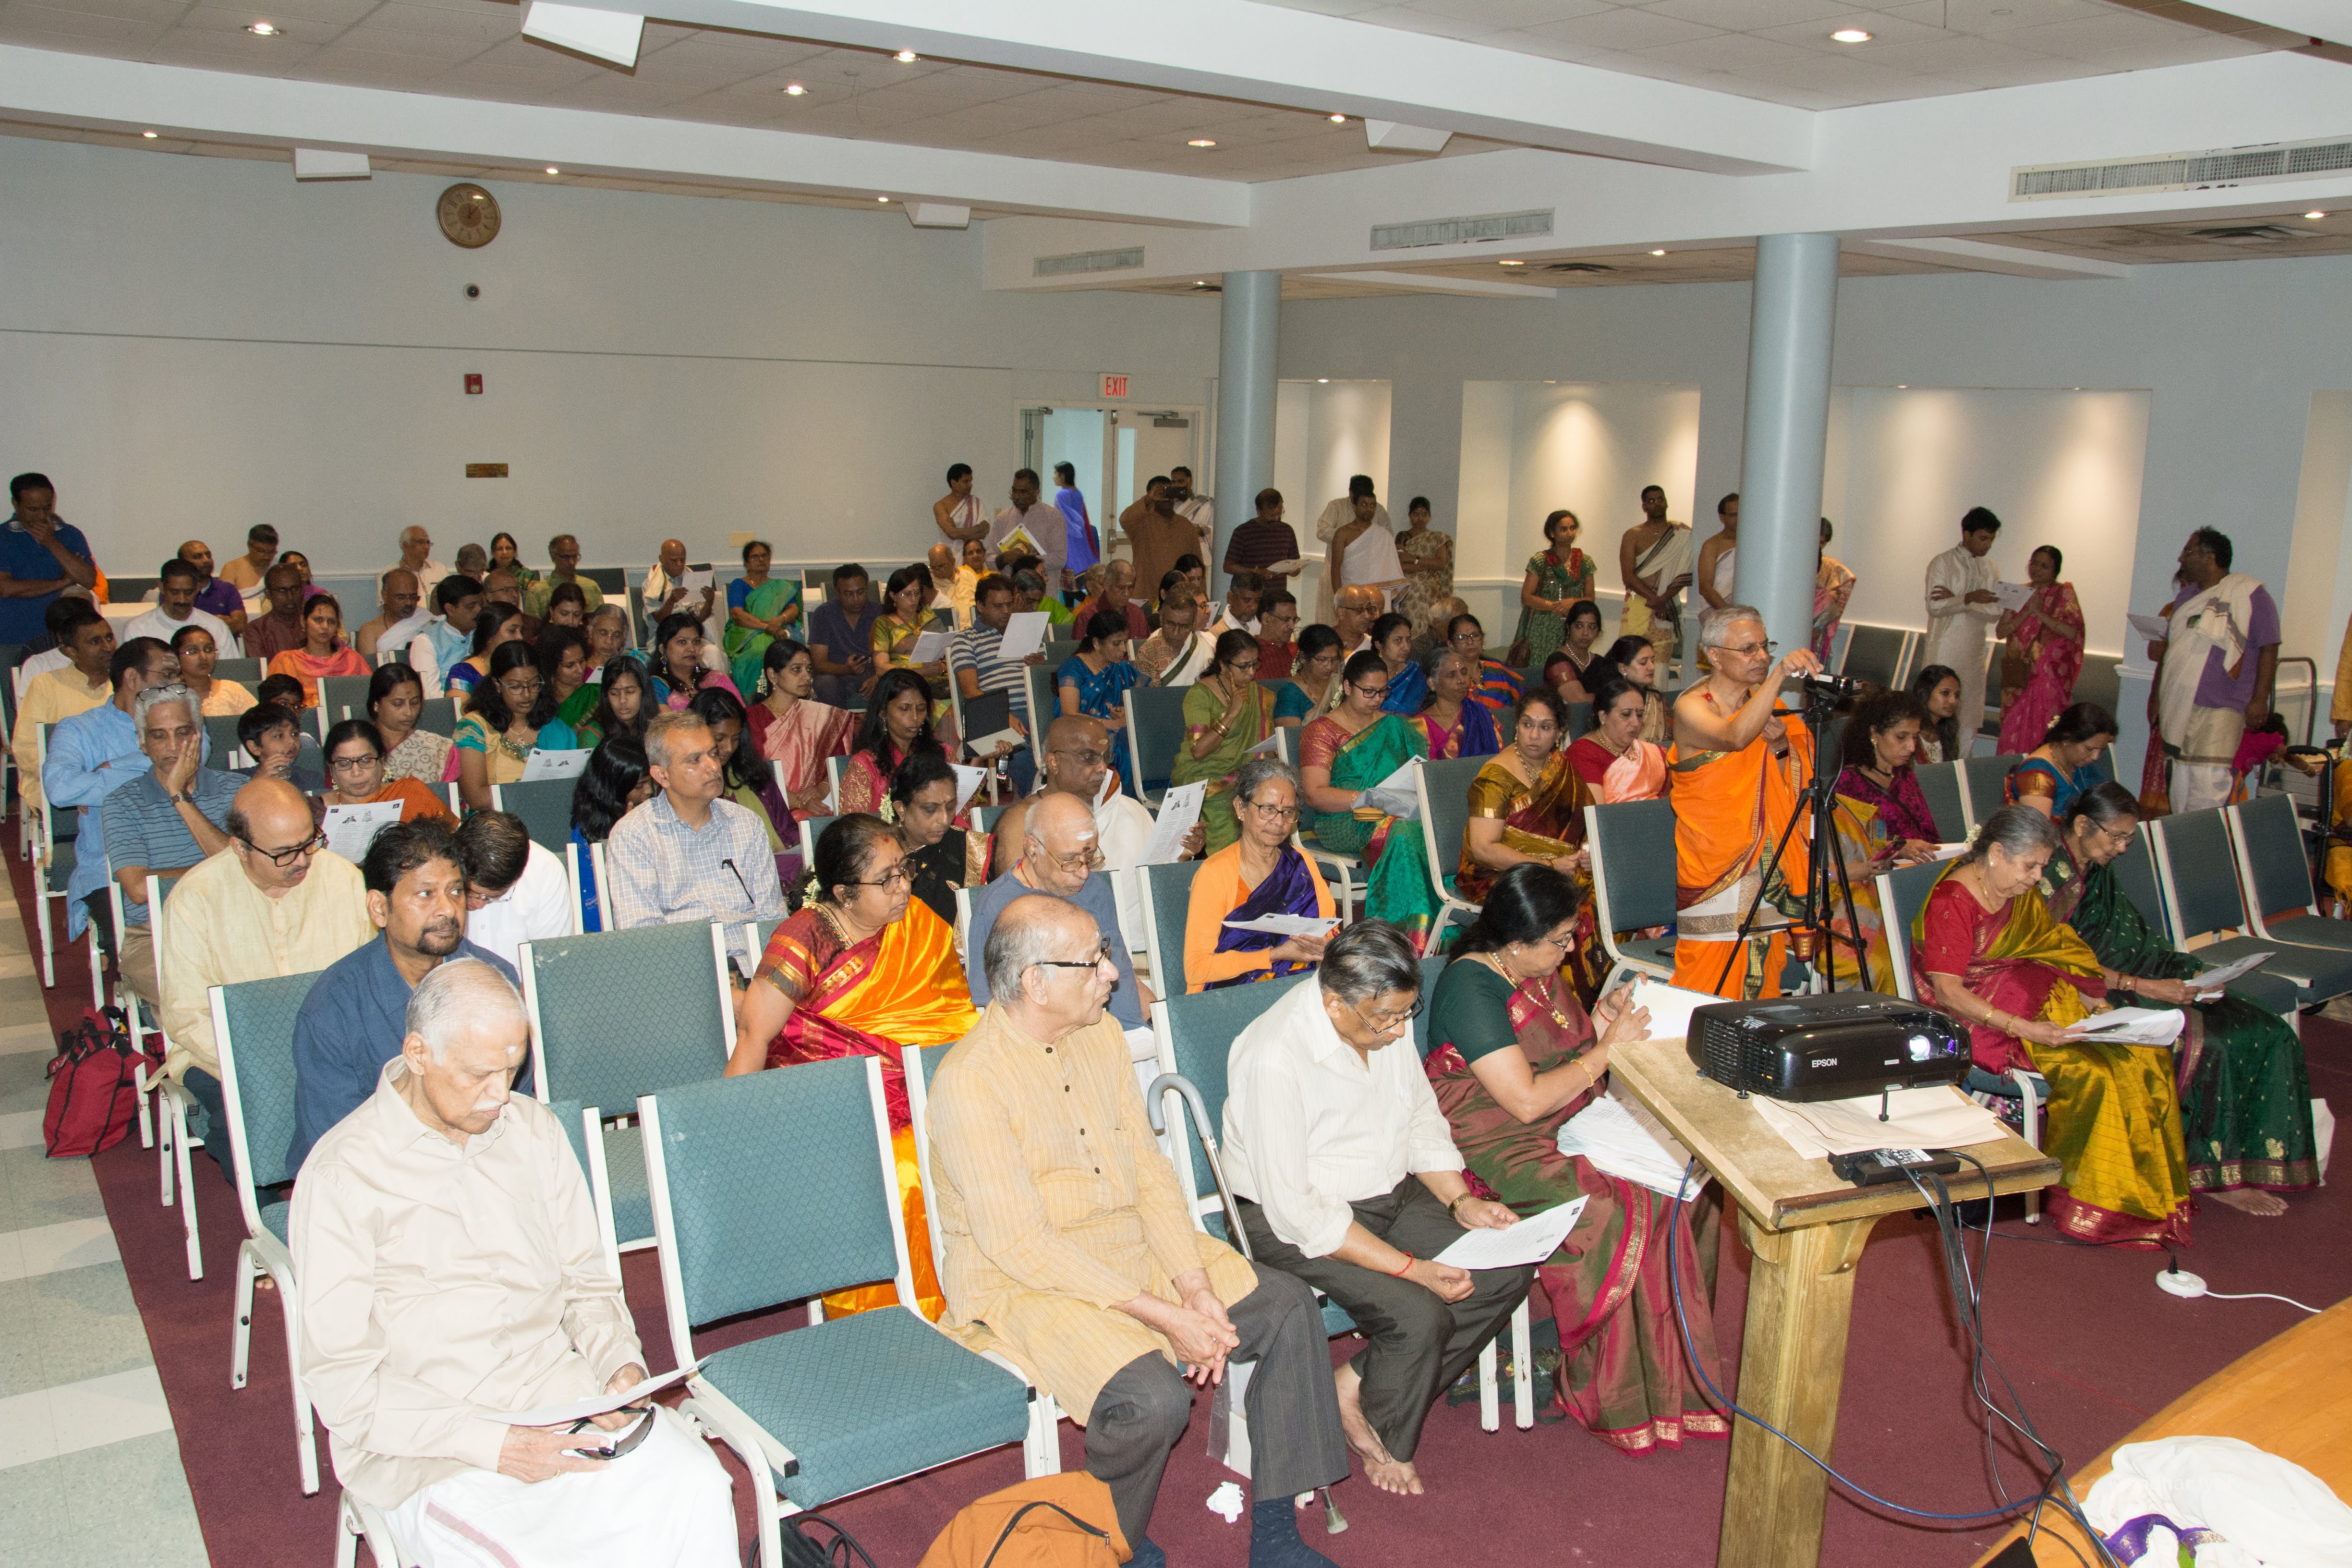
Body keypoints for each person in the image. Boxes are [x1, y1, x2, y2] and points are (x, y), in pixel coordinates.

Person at [927, 894, 1349, 1568]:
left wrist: (1195, 1286)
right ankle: (1106, 1540)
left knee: (1285, 1306)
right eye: (1092, 960)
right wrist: (1167, 1315)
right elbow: (1021, 1245)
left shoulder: (1098, 1036)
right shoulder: (970, 1081)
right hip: (1024, 1282)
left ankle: (1275, 1532)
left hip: (1126, 1242)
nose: (1112, 972)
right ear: (1036, 982)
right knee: (1152, 1399)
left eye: (1105, 953)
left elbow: (1149, 1173)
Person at [292, 960, 735, 1568]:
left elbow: (586, 1284)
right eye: (480, 1074)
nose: (501, 1094)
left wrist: (618, 1365)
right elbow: (345, 1383)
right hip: (430, 1446)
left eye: (511, 1070)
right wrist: (495, 1443)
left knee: (697, 1486)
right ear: (418, 1054)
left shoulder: (532, 1130)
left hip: (559, 1399)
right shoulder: (342, 1175)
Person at [1423, 864, 1729, 1449]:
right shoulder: (1472, 987)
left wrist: (1604, 1019)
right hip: (1491, 1139)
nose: (1569, 951)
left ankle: (1667, 1366)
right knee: (1607, 1207)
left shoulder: (1532, 968)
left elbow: (1565, 1046)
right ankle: (1607, 1384)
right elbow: (1523, 1100)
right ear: (1516, 941)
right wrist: (1608, 1051)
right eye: (1559, 940)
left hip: (1567, 1117)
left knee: (1690, 1183)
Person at [1222, 920, 1531, 1496]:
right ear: (1333, 1004)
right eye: (1384, 1019)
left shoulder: (1382, 1018)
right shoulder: (1274, 1056)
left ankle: (1354, 1385)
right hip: (1287, 1218)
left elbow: (1419, 1119)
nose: (1397, 1031)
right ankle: (1380, 1426)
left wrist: (1460, 1199)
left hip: (1386, 1191)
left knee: (1502, 1269)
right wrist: (1411, 1269)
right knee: (1420, 1313)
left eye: (1405, 1015)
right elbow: (1297, 1209)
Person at [1911, 804, 2192, 1247]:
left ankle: (2152, 1196)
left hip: (2041, 1006)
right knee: (2098, 1073)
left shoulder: (2016, 891)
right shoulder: (1953, 902)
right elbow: (1947, 992)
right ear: (1997, 853)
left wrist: (2095, 1001)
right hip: (1982, 1022)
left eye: (2043, 865)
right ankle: (2096, 1204)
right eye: (2031, 865)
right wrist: (2024, 1028)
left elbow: (2050, 947)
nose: (2038, 877)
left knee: (2145, 1056)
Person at [730, 814, 973, 1315]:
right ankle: (905, 1310)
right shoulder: (804, 937)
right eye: (886, 879)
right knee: (910, 1166)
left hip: (919, 1085)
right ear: (843, 893)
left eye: (904, 870)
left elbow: (948, 1021)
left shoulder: (916, 925)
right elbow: (755, 1036)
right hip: (828, 1106)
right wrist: (734, 1143)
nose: (903, 886)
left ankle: (980, 1290)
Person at [2045, 782, 2317, 1214]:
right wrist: (2146, 986)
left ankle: (2260, 1162)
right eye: (2116, 837)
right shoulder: (2049, 875)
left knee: (2268, 1028)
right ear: (2082, 825)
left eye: (2129, 838)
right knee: (2213, 1044)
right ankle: (2212, 1175)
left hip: (2144, 972)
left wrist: (2182, 972)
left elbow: (2130, 932)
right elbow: (2056, 963)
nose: (2122, 848)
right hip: (2092, 992)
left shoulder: (2095, 864)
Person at [159, 778, 375, 1185]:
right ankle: (272, 1211)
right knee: (255, 1120)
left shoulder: (343, 879)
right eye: (284, 853)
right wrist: (267, 1064)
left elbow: (367, 985)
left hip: (334, 1051)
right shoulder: (196, 897)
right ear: (240, 847)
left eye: (309, 842)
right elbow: (187, 1016)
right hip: (225, 1058)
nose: (303, 860)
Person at [286, 818, 520, 1174]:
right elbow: (335, 1147)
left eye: (455, 892)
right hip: (376, 1178)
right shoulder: (333, 1008)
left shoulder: (496, 980)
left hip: (481, 1165)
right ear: (380, 908)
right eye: (426, 894)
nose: (448, 909)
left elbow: (516, 1107)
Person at [1669, 604, 1822, 999]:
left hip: (1766, 857)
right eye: (1748, 649)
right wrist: (1781, 674)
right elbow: (1735, 736)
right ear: (1714, 655)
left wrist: (1780, 745)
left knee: (1763, 964)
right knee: (1706, 981)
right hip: (1716, 864)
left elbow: (1795, 781)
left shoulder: (1768, 708)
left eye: (1765, 646)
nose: (1762, 657)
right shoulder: (1691, 707)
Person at [989, 714, 1201, 946]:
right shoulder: (1022, 821)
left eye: (1105, 757)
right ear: (1053, 762)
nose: (1102, 768)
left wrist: (1181, 856)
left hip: (1148, 944)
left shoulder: (1129, 810)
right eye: (1089, 757)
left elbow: (1155, 887)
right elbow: (1015, 907)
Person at [95, 682, 239, 1008]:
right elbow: (139, 889)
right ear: (142, 743)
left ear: (198, 735)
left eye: (183, 732)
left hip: (233, 921)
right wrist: (222, 871)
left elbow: (250, 867)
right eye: (159, 736)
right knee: (195, 998)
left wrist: (180, 797)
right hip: (155, 933)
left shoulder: (237, 790)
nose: (173, 746)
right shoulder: (121, 804)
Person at [603, 709, 785, 961]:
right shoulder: (634, 835)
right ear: (662, 776)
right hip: (684, 971)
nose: (713, 767)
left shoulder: (746, 824)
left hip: (754, 964)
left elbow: (772, 919)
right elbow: (643, 939)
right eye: (695, 760)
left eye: (713, 754)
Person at [964, 790, 1151, 1030]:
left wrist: (1134, 1032)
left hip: (1108, 1031)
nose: (1084, 873)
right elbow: (991, 1009)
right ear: (1033, 849)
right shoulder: (996, 908)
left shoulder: (1095, 889)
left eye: (1089, 856)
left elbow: (1121, 976)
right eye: (1069, 860)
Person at [1300, 649, 1441, 949]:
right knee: (1404, 834)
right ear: (1347, 687)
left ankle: (1433, 925)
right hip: (1345, 818)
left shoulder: (1394, 726)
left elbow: (1421, 775)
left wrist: (1394, 799)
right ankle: (1400, 939)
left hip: (1395, 812)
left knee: (1427, 828)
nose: (1377, 699)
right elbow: (1315, 794)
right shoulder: (1321, 730)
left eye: (1383, 691)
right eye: (1369, 692)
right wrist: (1367, 798)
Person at [47, 637, 182, 941]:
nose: (177, 685)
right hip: (109, 868)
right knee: (144, 949)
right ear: (132, 679)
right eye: (167, 675)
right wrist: (158, 773)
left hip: (184, 858)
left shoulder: (184, 719)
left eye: (178, 677)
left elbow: (191, 760)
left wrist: (110, 770)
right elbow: (61, 788)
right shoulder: (79, 729)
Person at [1819, 690, 1943, 989]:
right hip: (1868, 889)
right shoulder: (1848, 784)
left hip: (1914, 879)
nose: (1911, 747)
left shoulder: (1905, 778)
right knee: (1888, 961)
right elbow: (1848, 851)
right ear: (1874, 734)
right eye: (1901, 737)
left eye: (1915, 737)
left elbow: (1928, 833)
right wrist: (1899, 848)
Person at [2151, 528, 2279, 814]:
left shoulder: (2250, 595)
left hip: (2223, 705)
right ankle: (2183, 839)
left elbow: (2269, 648)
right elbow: (2175, 652)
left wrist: (2260, 700)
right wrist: (2159, 697)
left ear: (2209, 558)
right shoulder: (2186, 598)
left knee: (2209, 786)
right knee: (2180, 784)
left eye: (2188, 552)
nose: (2181, 558)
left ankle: (2204, 840)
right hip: (2179, 703)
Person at [1168, 631, 1275, 852]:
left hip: (1248, 773)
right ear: (1224, 665)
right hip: (1206, 777)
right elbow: (1199, 751)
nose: (1252, 673)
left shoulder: (1262, 696)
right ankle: (1227, 868)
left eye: (1255, 664)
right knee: (1231, 812)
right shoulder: (1200, 694)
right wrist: (1232, 713)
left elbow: (1266, 745)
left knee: (1273, 805)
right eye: (1244, 666)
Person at [11, 602, 115, 827]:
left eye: (109, 638)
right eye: (95, 642)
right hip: (61, 784)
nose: (108, 647)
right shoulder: (46, 685)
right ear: (70, 652)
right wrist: (77, 783)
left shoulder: (127, 684)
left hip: (118, 781)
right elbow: (27, 748)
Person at [688, 685, 794, 886]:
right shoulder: (688, 785)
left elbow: (789, 830)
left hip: (779, 865)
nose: (729, 748)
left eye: (736, 739)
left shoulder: (753, 774)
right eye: (719, 739)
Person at [949, 572, 1043, 795]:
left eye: (1009, 604)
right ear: (980, 606)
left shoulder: (1026, 632)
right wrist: (1003, 714)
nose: (1006, 611)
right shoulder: (966, 639)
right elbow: (970, 691)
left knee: (1070, 747)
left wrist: (1041, 667)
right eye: (998, 606)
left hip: (1038, 710)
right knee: (1025, 756)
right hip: (995, 715)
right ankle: (1031, 804)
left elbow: (1049, 683)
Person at [1921, 506, 2005, 753]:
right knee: (1936, 713)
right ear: (1967, 534)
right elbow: (1936, 607)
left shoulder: (1991, 568)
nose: (1987, 545)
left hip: (1974, 654)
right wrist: (1970, 598)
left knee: (1968, 718)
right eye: (1983, 538)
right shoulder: (1942, 563)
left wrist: (1960, 600)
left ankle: (1961, 770)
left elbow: (1995, 612)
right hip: (1945, 650)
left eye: (1991, 539)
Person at [1991, 545, 2085, 754]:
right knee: (2013, 729)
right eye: (2034, 563)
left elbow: (2072, 633)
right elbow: (2001, 632)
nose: (2036, 569)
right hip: (2018, 674)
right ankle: (2014, 771)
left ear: (2055, 570)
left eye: (2044, 566)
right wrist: (2026, 613)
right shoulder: (2018, 592)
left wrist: (2039, 613)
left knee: (2046, 729)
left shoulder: (2065, 593)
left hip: (2048, 677)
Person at [453, 809, 573, 971]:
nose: (480, 904)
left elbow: (552, 962)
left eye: (492, 898)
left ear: (517, 878)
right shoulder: (438, 867)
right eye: (469, 892)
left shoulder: (546, 870)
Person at [887, 750, 990, 927]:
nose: (944, 820)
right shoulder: (882, 854)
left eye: (951, 807)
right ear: (901, 809)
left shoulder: (970, 846)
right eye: (930, 809)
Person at [752, 639, 853, 814]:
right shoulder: (753, 718)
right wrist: (799, 802)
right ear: (773, 675)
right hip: (772, 808)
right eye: (796, 669)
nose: (807, 676)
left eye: (809, 669)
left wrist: (821, 789)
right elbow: (753, 775)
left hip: (819, 805)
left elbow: (839, 764)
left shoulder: (821, 716)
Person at [839, 668, 954, 820]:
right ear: (883, 712)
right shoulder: (866, 765)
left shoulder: (944, 754)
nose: (915, 717)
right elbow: (853, 826)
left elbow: (962, 812)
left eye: (921, 709)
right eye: (905, 709)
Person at [0, 473, 99, 645]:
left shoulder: (70, 535)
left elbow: (88, 580)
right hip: (11, 639)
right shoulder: (3, 537)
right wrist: (63, 582)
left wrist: (52, 542)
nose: (42, 516)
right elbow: (6, 588)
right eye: (33, 510)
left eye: (47, 508)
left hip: (62, 639)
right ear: (16, 504)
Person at [453, 642, 547, 812]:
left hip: (548, 813)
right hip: (495, 822)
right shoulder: (473, 727)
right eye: (516, 687)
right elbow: (476, 798)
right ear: (497, 684)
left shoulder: (551, 725)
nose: (527, 695)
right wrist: (539, 793)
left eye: (534, 685)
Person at [1059, 610, 1144, 797]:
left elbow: (1141, 697)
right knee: (1128, 740)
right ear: (1097, 643)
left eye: (1125, 642)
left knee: (1142, 735)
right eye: (1117, 643)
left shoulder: (1120, 669)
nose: (1124, 649)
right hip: (1079, 734)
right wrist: (1113, 724)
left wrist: (1125, 711)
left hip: (1117, 730)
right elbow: (1069, 714)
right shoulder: (1073, 668)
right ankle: (1126, 800)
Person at [322, 719, 454, 826]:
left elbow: (447, 843)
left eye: (366, 761)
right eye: (344, 764)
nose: (356, 772)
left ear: (382, 760)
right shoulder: (318, 811)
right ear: (331, 768)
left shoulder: (411, 795)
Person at [1618, 486, 1694, 662]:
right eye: (1651, 501)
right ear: (1644, 507)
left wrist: (1662, 600)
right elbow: (1628, 577)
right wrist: (1656, 600)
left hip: (1666, 605)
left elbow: (1685, 573)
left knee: (1660, 668)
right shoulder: (1632, 535)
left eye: (1661, 499)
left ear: (1666, 503)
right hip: (1639, 604)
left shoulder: (1681, 534)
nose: (1657, 504)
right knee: (1632, 661)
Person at [2005, 702, 2118, 820]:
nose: (2096, 757)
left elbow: (2113, 803)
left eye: (2101, 750)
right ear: (2067, 738)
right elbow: (2038, 829)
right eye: (2090, 749)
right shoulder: (2036, 775)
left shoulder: (2082, 763)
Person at [1515, 510, 1597, 670]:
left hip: (1572, 626)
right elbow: (1526, 597)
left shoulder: (1585, 562)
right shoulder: (1541, 561)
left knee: (1567, 670)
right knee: (1541, 669)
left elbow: (1590, 598)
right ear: (1552, 533)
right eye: (1563, 529)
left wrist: (1572, 602)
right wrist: (1554, 606)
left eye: (1573, 528)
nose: (1570, 533)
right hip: (1543, 628)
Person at [715, 537, 798, 695]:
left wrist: (780, 620)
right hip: (746, 633)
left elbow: (793, 610)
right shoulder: (739, 585)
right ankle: (755, 699)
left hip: (780, 630)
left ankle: (787, 697)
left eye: (764, 556)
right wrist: (767, 628)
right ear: (746, 564)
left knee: (794, 652)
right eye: (755, 557)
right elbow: (738, 615)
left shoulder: (780, 587)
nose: (761, 559)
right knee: (760, 651)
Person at [1566, 676, 1668, 802]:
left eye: (1640, 715)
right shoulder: (1582, 754)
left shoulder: (1652, 754)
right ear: (1603, 717)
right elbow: (1597, 812)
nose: (1636, 723)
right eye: (1626, 714)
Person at [266, 593, 368, 707]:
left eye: (331, 622)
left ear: (337, 627)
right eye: (318, 620)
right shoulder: (286, 662)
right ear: (303, 621)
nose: (325, 626)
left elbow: (370, 699)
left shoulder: (352, 659)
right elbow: (273, 708)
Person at [1405, 645, 1500, 763]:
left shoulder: (1481, 714)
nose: (1462, 680)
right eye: (1452, 675)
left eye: (1464, 673)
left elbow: (1499, 760)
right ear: (1432, 683)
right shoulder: (1419, 726)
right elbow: (1423, 770)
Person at [873, 563, 951, 705]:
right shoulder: (884, 624)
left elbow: (945, 651)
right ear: (893, 596)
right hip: (904, 684)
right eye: (907, 594)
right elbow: (881, 668)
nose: (914, 599)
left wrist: (942, 667)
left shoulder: (927, 616)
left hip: (939, 682)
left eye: (917, 593)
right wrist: (919, 671)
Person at [126, 557, 239, 655]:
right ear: (162, 587)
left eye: (188, 593)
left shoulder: (217, 627)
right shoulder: (138, 629)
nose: (182, 600)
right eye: (175, 592)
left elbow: (229, 670)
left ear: (198, 588)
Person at [1327, 481, 1405, 621]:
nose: (1369, 509)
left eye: (1372, 505)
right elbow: (1336, 568)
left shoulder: (1384, 535)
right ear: (1355, 506)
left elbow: (1391, 570)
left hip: (1379, 597)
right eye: (1364, 505)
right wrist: (1340, 600)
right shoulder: (1343, 533)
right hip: (1352, 596)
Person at [1120, 477, 1197, 620]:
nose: (1166, 497)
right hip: (1146, 596)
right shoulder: (1142, 522)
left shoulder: (1186, 525)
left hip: (1179, 597)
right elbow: (1124, 520)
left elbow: (1196, 565)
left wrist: (1199, 596)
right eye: (1160, 492)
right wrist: (1149, 499)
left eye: (1169, 491)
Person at [806, 562, 881, 707]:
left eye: (861, 592)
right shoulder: (824, 614)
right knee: (825, 683)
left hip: (873, 673)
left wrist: (877, 677)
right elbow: (818, 664)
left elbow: (892, 656)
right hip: (837, 674)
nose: (856, 599)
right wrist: (846, 669)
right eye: (848, 594)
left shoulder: (880, 613)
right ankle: (840, 722)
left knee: (893, 682)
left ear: (867, 589)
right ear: (837, 593)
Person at [364, 664, 453, 786]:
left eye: (415, 703)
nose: (409, 712)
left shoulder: (440, 748)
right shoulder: (356, 747)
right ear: (376, 704)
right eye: (398, 704)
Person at [407, 574, 485, 700]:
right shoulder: (426, 641)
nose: (479, 610)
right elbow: (431, 696)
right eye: (471, 606)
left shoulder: (487, 633)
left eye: (481, 605)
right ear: (450, 609)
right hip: (450, 708)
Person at [647, 610, 739, 710]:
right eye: (682, 642)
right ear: (663, 649)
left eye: (696, 642)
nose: (692, 649)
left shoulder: (717, 680)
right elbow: (664, 719)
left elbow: (739, 715)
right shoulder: (656, 686)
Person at [1388, 495, 1452, 635]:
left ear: (1429, 517)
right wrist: (1428, 565)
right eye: (1416, 514)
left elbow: (1441, 563)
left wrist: (1414, 559)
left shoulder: (1438, 538)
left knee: (1433, 628)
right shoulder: (1403, 537)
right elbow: (1401, 566)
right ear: (1410, 516)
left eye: (1424, 515)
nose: (1420, 518)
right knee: (1411, 628)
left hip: (1432, 592)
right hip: (1412, 593)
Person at [1224, 486, 1303, 599]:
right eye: (1271, 515)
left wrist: (1294, 570)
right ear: (1258, 511)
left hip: (1277, 598)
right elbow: (1228, 567)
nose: (1276, 518)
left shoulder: (1287, 531)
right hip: (1250, 599)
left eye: (1279, 513)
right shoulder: (1243, 532)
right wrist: (1256, 572)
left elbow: (1295, 568)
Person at [1131, 581, 1210, 687]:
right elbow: (1143, 695)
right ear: (1161, 619)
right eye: (1171, 624)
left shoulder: (1204, 648)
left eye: (1184, 626)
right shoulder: (1147, 653)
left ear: (1193, 624)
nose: (1176, 633)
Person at [529, 627, 596, 750]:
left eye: (582, 661)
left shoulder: (595, 694)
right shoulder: (539, 702)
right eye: (570, 666)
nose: (580, 670)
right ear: (551, 667)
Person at [1596, 633, 1670, 744]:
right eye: (1643, 662)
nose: (1652, 667)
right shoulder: (1611, 699)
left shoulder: (1656, 699)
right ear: (1623, 668)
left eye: (1653, 661)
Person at [169, 623, 254, 719]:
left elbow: (258, 724)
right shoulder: (168, 696)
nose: (203, 657)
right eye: (193, 652)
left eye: (209, 650)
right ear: (176, 658)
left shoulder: (233, 690)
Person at [642, 538, 715, 648]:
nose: (679, 564)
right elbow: (659, 620)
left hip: (692, 637)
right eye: (674, 561)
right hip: (665, 638)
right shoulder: (651, 585)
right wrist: (671, 601)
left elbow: (699, 619)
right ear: (662, 559)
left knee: (713, 652)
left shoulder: (693, 579)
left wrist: (709, 602)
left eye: (682, 560)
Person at [446, 601, 526, 701]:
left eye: (521, 631)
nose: (520, 637)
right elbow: (460, 709)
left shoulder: (523, 666)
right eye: (512, 631)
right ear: (490, 635)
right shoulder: (463, 672)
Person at [238, 701, 325, 791]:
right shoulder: (235, 779)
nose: (291, 741)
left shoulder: (311, 779)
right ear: (255, 748)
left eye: (295, 734)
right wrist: (256, 782)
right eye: (279, 736)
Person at [176, 538, 251, 638]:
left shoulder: (227, 589)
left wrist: (196, 624)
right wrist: (217, 621)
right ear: (183, 563)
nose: (206, 560)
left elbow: (239, 625)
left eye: (208, 555)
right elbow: (176, 626)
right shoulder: (175, 591)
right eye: (198, 557)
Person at [1274, 624, 1345, 729]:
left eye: (1334, 660)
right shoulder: (1290, 694)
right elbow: (1291, 737)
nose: (1330, 667)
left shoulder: (1341, 684)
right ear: (1303, 658)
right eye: (1322, 660)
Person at [521, 533, 604, 621]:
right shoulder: (537, 592)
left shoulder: (591, 587)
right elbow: (532, 626)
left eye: (575, 557)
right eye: (565, 557)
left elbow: (602, 621)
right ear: (553, 556)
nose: (572, 562)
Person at [574, 656, 649, 750]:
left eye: (630, 692)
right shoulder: (593, 735)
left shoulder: (654, 726)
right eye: (614, 694)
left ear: (644, 693)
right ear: (606, 696)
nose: (622, 700)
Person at [350, 568, 423, 665]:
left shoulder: (426, 620)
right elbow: (370, 670)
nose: (409, 603)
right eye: (401, 597)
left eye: (413, 597)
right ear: (385, 596)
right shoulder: (370, 631)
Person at [1540, 600, 1607, 705]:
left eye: (1592, 627)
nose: (1586, 633)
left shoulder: (1599, 662)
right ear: (1569, 627)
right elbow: (1579, 701)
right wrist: (1608, 699)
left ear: (1598, 631)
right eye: (1579, 626)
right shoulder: (1557, 660)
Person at [1810, 518, 1856, 663]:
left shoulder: (1831, 567)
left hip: (1819, 628)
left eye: (1822, 543)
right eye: (1816, 541)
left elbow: (1835, 599)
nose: (1818, 546)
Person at [243, 563, 309, 663]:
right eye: (282, 591)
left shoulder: (314, 624)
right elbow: (260, 669)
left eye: (295, 589)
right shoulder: (257, 630)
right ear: (268, 594)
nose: (290, 597)